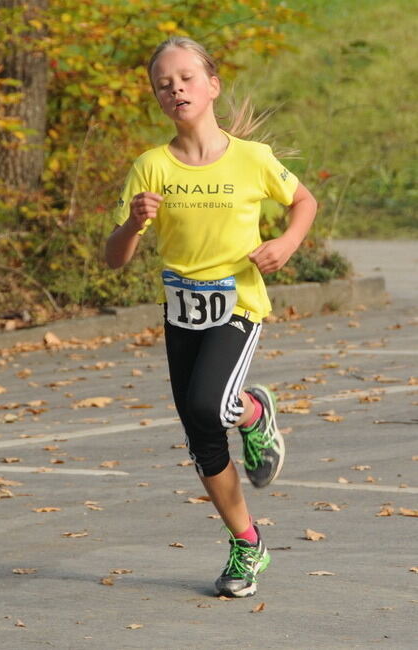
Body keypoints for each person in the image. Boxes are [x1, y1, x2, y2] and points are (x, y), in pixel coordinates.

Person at [105, 36, 317, 598]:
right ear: (157, 98)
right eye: (163, 83)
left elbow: (304, 202)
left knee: (210, 404)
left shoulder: (251, 159)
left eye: (187, 77)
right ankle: (248, 544)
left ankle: (252, 410)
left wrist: (287, 243)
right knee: (201, 436)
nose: (176, 88)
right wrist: (132, 223)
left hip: (239, 304)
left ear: (213, 86)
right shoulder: (151, 167)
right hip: (182, 314)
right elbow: (114, 257)